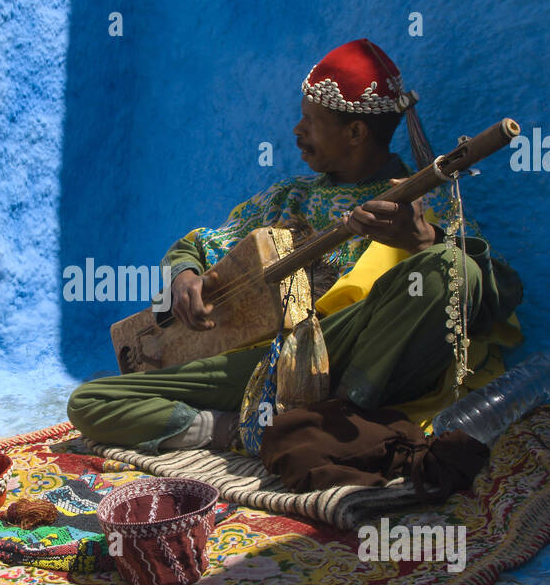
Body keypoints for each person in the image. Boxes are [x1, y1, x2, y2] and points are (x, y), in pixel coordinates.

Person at [67, 39, 524, 455]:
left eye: (310, 120)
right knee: (91, 401)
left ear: (356, 133)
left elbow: (492, 292)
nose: (296, 130)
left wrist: (421, 239)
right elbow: (195, 244)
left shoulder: (425, 200)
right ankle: (243, 430)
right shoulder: (292, 196)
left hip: (350, 353)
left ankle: (335, 417)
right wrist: (184, 276)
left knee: (449, 267)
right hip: (265, 363)